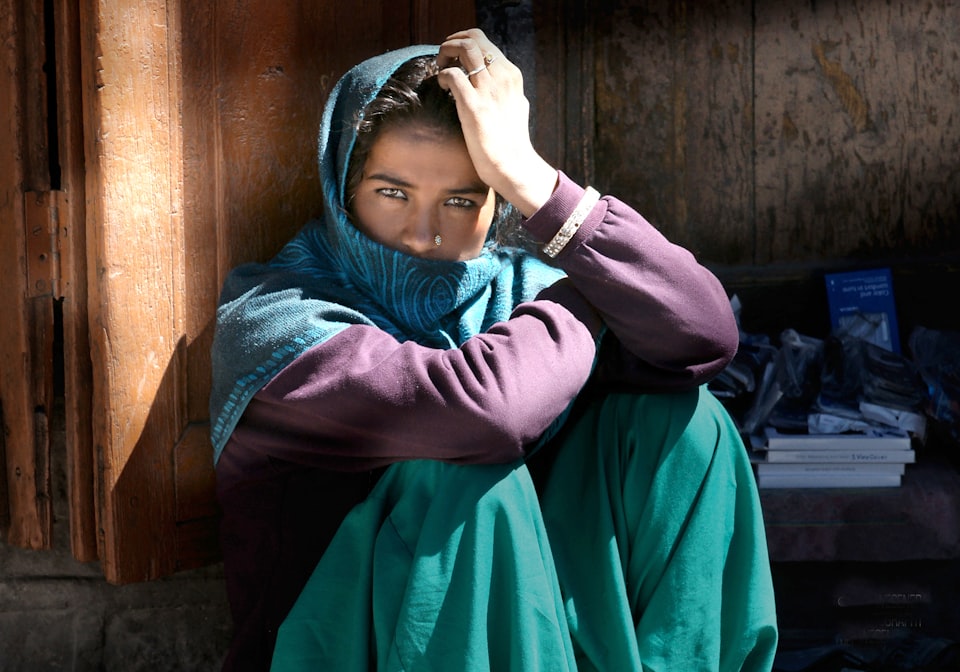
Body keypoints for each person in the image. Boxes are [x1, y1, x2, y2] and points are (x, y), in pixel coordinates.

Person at [210, 28, 778, 672]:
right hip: (338, 648)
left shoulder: (517, 286)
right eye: (392, 192)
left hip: (541, 641)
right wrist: (589, 298)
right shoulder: (276, 317)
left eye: (461, 199)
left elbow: (705, 335)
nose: (423, 233)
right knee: (465, 484)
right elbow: (486, 414)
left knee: (686, 424)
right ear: (342, 187)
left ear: (498, 205)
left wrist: (534, 181)